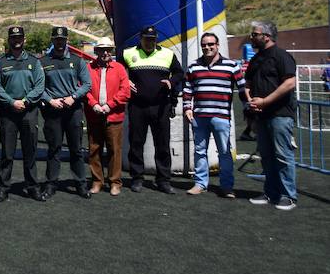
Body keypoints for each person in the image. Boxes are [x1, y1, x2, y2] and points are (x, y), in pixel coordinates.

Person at [182, 32, 247, 198]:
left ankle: (226, 187)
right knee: (199, 151)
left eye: (210, 44)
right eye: (204, 45)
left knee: (224, 152)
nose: (207, 47)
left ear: (217, 45)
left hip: (221, 117)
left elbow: (242, 88)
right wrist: (187, 108)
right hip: (199, 117)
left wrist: (249, 107)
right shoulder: (193, 66)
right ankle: (200, 184)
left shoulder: (231, 66)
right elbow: (188, 89)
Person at [123, 25, 183, 194]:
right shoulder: (128, 53)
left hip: (161, 106)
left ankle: (163, 180)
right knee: (136, 143)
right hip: (137, 107)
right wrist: (125, 81)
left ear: (156, 39)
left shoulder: (167, 54)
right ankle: (137, 178)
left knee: (162, 144)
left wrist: (172, 82)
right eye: (146, 39)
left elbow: (180, 73)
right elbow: (117, 70)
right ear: (140, 38)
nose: (150, 42)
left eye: (153, 39)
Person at [245, 21, 298, 211]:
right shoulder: (256, 59)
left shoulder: (282, 56)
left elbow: (290, 83)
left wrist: (265, 101)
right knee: (266, 156)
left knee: (282, 156)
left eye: (254, 34)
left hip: (280, 115)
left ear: (266, 36)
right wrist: (252, 101)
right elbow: (248, 83)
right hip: (262, 115)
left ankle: (288, 196)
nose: (251, 37)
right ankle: (271, 192)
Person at [0, 26, 45, 202]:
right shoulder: (1, 62)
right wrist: (11, 101)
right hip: (8, 113)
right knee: (7, 153)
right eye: (13, 38)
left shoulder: (34, 61)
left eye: (19, 37)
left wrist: (26, 101)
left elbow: (39, 85)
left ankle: (32, 186)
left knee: (30, 152)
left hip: (29, 111)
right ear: (9, 40)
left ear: (24, 39)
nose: (17, 40)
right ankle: (3, 188)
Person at [39, 26, 92, 199]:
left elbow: (86, 84)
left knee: (76, 149)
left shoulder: (77, 61)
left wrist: (73, 97)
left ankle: (80, 183)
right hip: (53, 110)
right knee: (54, 149)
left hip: (73, 109)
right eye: (56, 39)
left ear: (67, 40)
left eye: (62, 39)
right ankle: (51, 183)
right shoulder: (43, 62)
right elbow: (38, 86)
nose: (59, 42)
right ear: (52, 40)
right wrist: (50, 100)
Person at [84, 37, 130, 196]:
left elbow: (125, 91)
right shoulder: (89, 68)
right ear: (96, 51)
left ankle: (115, 182)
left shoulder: (119, 68)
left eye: (108, 50)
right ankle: (97, 181)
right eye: (102, 50)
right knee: (94, 150)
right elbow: (84, 88)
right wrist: (93, 104)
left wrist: (110, 104)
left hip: (114, 116)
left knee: (114, 150)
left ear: (112, 51)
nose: (105, 53)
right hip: (94, 116)